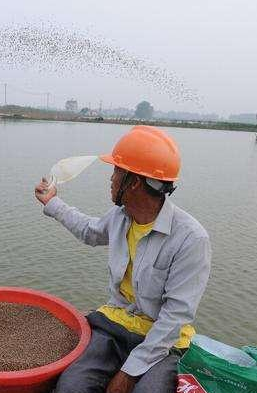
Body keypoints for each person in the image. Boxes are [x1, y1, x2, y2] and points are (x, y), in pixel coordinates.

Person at [34, 126, 211, 393]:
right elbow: (90, 231)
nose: (111, 179)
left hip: (162, 341)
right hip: (115, 324)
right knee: (71, 386)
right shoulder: (121, 217)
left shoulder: (191, 239)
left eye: (117, 171)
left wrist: (127, 373)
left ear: (135, 182)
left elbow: (175, 317)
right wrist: (52, 203)